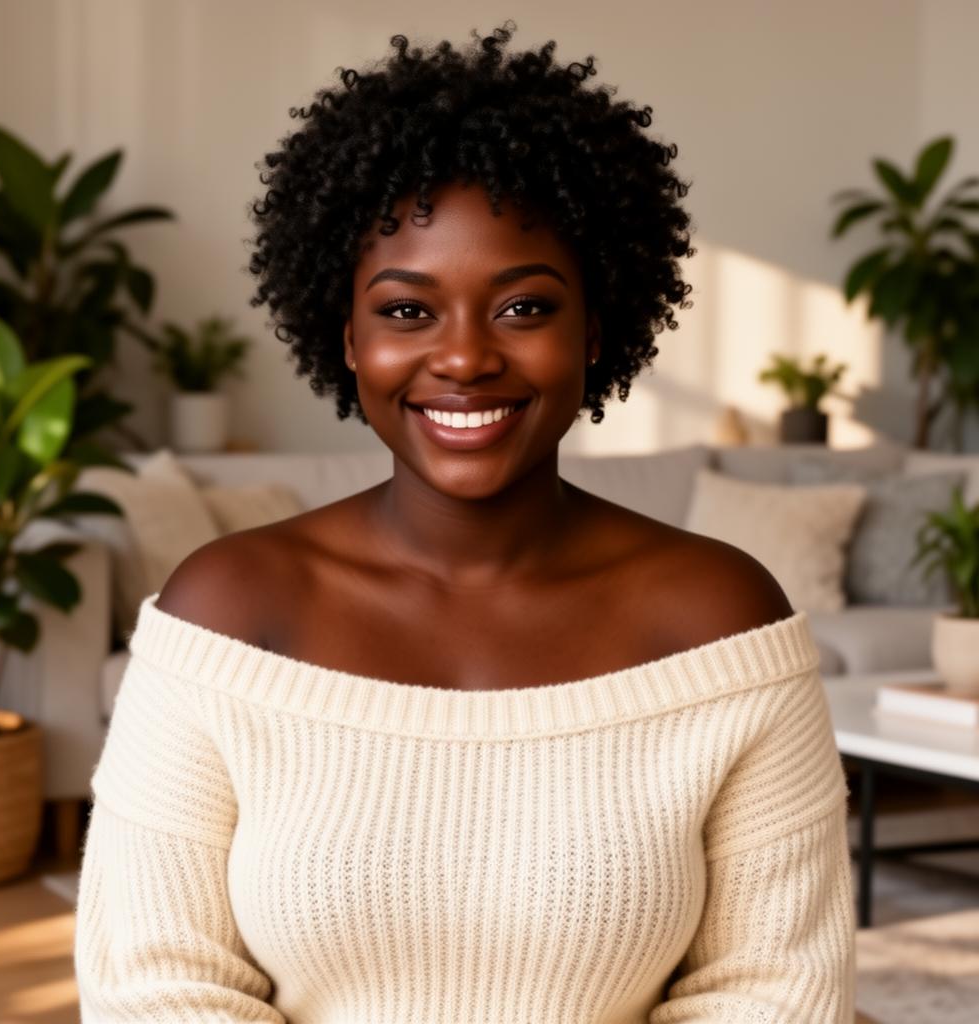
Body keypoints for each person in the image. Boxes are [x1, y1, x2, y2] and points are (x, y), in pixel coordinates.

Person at [74, 23, 856, 1022]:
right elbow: (154, 984)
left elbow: (774, 990)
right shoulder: (225, 613)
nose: (465, 359)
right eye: (406, 312)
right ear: (346, 337)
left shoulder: (720, 619)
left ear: (597, 332)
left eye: (524, 308)